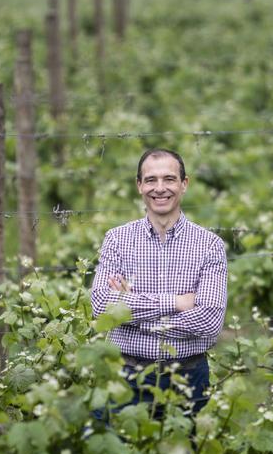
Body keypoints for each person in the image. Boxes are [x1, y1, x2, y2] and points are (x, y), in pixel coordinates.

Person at [90, 148, 228, 421]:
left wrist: (130, 314)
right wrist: (178, 302)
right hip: (125, 375)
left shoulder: (209, 245)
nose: (160, 188)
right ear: (139, 185)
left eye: (169, 179)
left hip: (187, 377)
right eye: (151, 180)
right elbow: (102, 307)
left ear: (184, 184)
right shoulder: (117, 240)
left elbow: (210, 320)